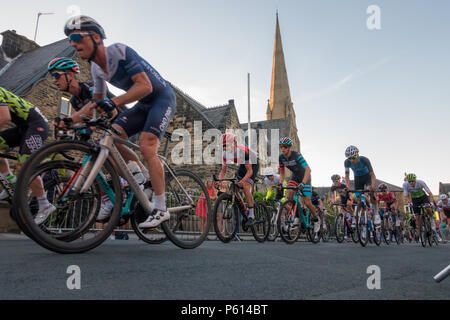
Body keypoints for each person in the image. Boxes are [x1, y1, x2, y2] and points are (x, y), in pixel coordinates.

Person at [64, 15, 176, 228]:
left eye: (77, 37)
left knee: (146, 144)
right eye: (70, 39)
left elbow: (145, 86)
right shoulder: (96, 70)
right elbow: (95, 103)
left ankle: (161, 208)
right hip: (143, 105)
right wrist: (70, 120)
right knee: (111, 136)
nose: (73, 43)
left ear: (96, 37)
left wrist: (113, 102)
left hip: (161, 98)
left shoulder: (119, 51)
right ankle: (140, 178)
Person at [0, 87, 56, 224]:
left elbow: (4, 117)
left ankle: (45, 204)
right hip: (24, 128)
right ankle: (10, 180)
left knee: (24, 166)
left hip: (37, 125)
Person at [218, 132, 259, 228]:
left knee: (245, 186)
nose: (225, 148)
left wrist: (243, 181)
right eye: (224, 146)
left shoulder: (242, 151)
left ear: (234, 143)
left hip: (253, 165)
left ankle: (251, 215)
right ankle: (244, 210)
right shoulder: (224, 154)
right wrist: (220, 182)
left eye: (227, 145)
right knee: (234, 187)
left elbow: (249, 172)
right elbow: (223, 172)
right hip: (242, 165)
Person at [278, 137, 320, 232]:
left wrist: (303, 183)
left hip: (305, 177)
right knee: (289, 196)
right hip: (295, 177)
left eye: (285, 147)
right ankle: (297, 216)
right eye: (281, 147)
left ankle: (317, 218)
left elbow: (308, 170)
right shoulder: (281, 158)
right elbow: (282, 172)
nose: (283, 149)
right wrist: (280, 183)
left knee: (308, 202)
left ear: (289, 147)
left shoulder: (297, 155)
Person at [403, 173, 439, 241]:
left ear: (415, 180)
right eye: (409, 181)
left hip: (423, 197)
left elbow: (430, 193)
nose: (411, 183)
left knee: (428, 208)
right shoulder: (405, 185)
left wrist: (431, 203)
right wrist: (410, 202)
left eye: (412, 181)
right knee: (417, 217)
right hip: (415, 199)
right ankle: (419, 231)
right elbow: (406, 195)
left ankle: (431, 220)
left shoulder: (421, 182)